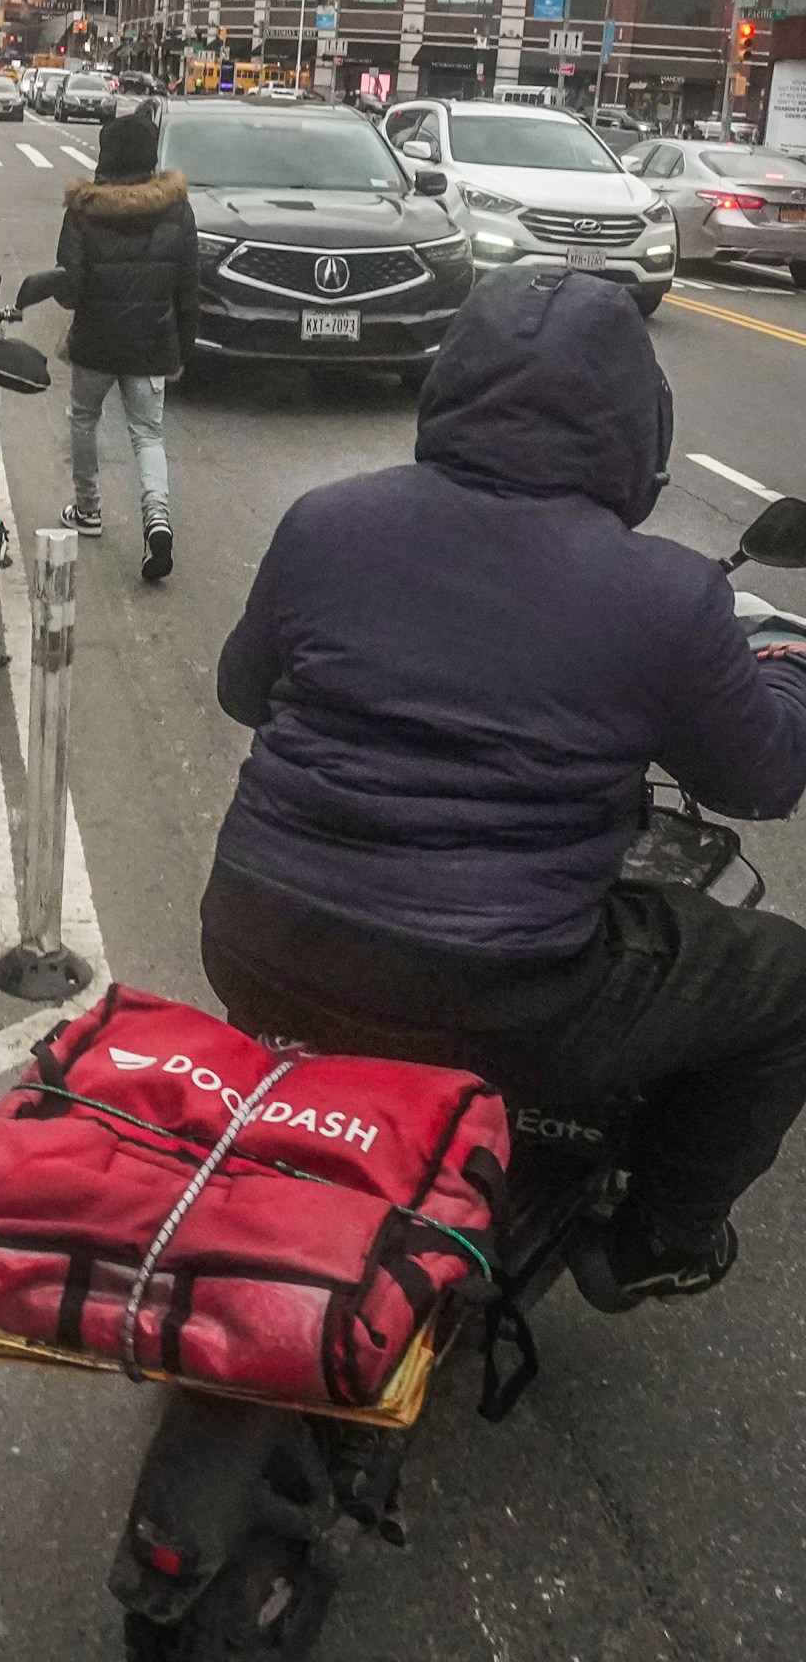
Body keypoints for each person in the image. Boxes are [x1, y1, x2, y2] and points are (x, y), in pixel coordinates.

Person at [200, 269, 806, 1314]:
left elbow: (242, 691)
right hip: (499, 996)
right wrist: (789, 665)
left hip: (257, 944)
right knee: (791, 983)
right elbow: (761, 773)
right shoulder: (668, 594)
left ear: (451, 386)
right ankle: (658, 1237)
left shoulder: (324, 523)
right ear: (639, 429)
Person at [52, 105, 198, 583]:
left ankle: (88, 510)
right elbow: (188, 288)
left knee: (83, 418)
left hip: (94, 341)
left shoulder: (83, 211)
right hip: (151, 343)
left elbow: (68, 289)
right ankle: (157, 518)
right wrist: (183, 349)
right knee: (147, 434)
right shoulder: (177, 209)